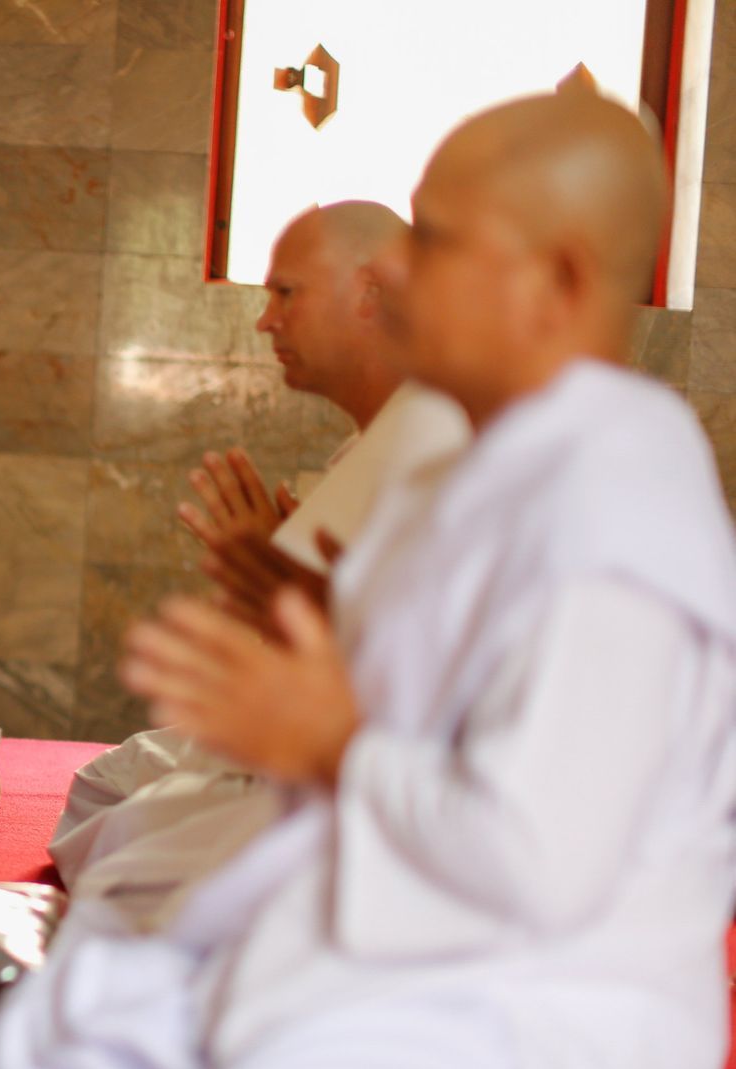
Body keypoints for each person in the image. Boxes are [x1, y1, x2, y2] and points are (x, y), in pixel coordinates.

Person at [0, 92, 736, 1069]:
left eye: (433, 239)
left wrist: (328, 736)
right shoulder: (504, 460)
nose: (402, 274)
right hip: (419, 950)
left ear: (558, 281)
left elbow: (540, 864)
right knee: (62, 1039)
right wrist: (306, 658)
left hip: (536, 1016)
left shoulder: (613, 507)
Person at [48, 202, 470, 931]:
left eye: (285, 293)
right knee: (105, 795)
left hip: (375, 793)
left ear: (369, 293)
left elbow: (433, 672)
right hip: (322, 756)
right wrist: (278, 589)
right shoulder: (387, 434)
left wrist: (292, 600)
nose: (264, 321)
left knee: (122, 865)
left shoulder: (436, 438)